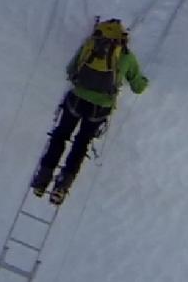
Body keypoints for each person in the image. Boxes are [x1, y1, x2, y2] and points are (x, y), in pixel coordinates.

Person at [30, 19, 149, 205]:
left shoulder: (90, 46)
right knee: (81, 143)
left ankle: (42, 180)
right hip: (99, 108)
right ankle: (62, 186)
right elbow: (138, 87)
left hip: (76, 100)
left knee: (60, 136)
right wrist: (144, 81)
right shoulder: (126, 57)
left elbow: (71, 69)